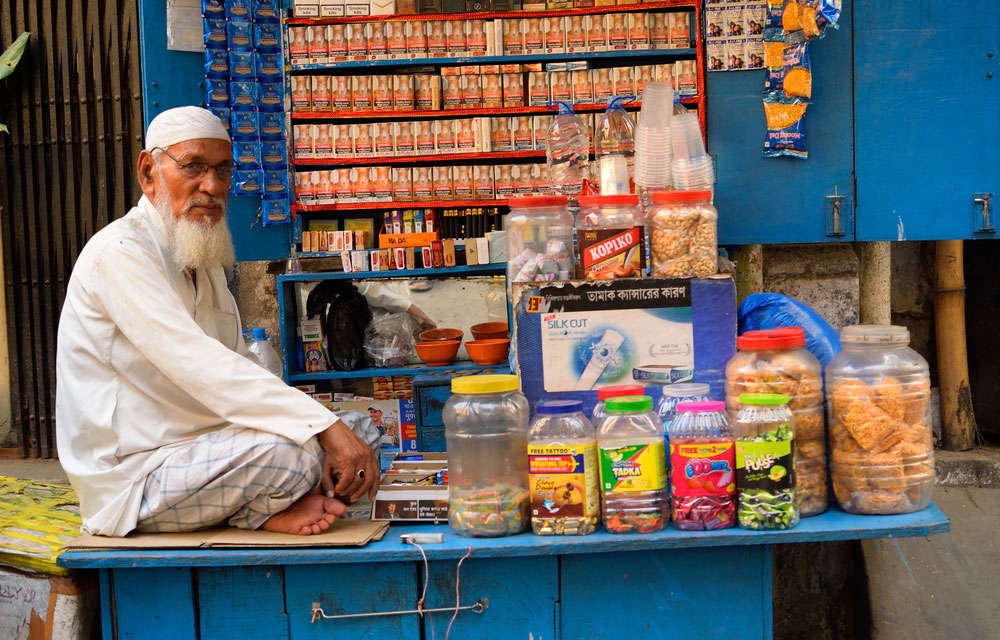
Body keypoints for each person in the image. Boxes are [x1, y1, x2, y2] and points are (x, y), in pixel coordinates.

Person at [55, 107, 380, 537]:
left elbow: (240, 362)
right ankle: (264, 508)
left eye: (222, 170)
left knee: (362, 429)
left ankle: (275, 504)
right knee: (297, 454)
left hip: (207, 451)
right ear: (148, 171)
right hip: (138, 475)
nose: (210, 186)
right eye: (193, 167)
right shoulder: (118, 253)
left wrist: (326, 426)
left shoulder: (199, 259)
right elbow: (203, 367)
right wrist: (320, 427)